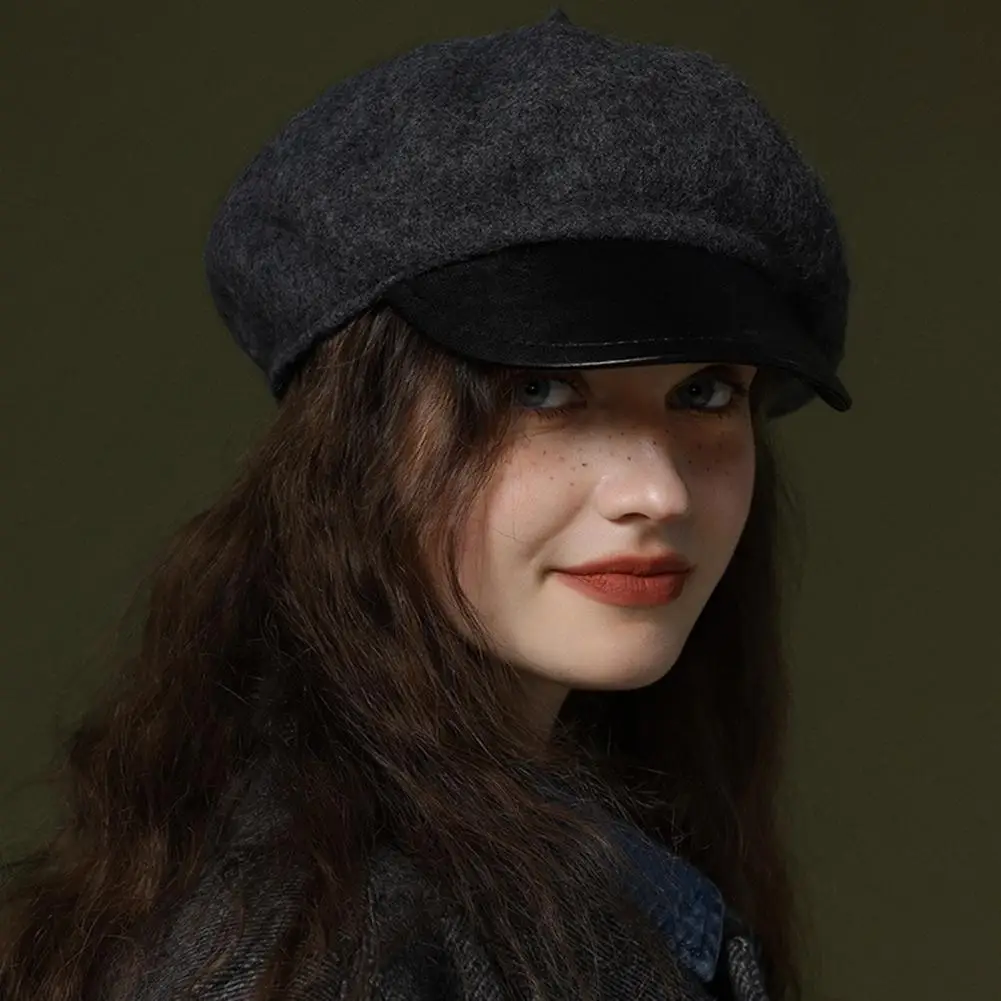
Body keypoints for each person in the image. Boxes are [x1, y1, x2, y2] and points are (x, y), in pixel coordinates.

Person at [0, 9, 853, 1001]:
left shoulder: (562, 858)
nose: (655, 491)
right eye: (540, 390)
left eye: (703, 392)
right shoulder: (328, 942)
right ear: (358, 439)